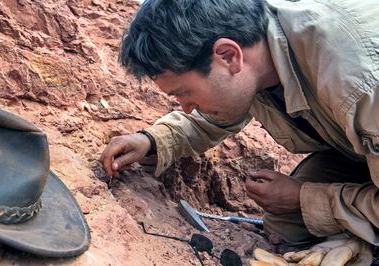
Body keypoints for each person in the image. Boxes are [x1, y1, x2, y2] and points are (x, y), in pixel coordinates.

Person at [100, 0, 378, 264]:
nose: (185, 108)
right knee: (289, 224)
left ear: (228, 55)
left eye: (184, 93)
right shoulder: (257, 47)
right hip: (359, 155)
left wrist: (304, 197)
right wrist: (152, 141)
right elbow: (216, 113)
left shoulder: (360, 84)